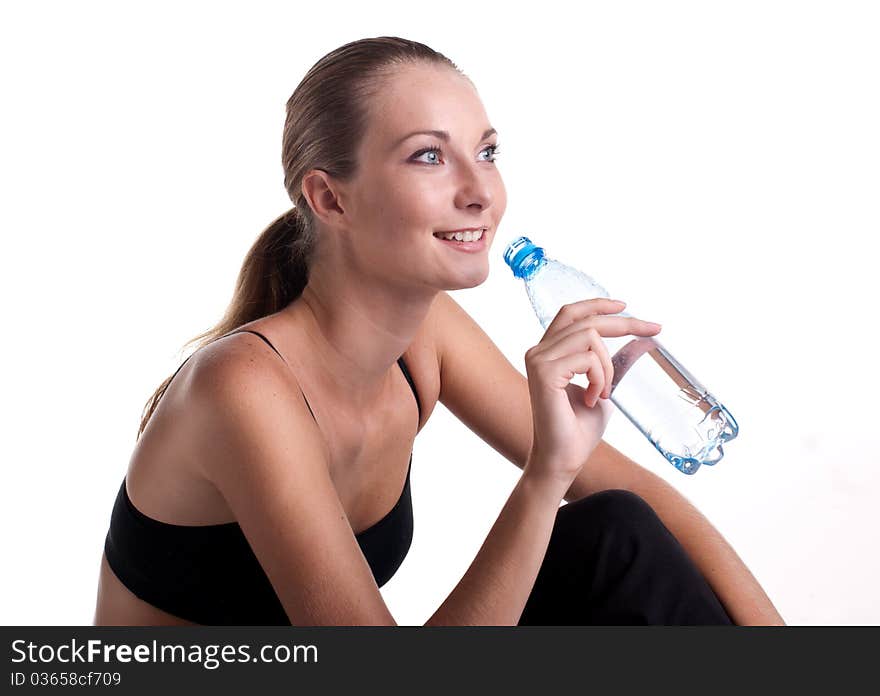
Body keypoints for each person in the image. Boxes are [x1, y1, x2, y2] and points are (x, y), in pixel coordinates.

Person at [93, 36, 784, 626]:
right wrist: (547, 475)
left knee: (618, 533)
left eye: (486, 151)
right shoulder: (242, 386)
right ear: (330, 197)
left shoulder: (427, 339)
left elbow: (647, 500)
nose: (480, 190)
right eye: (429, 156)